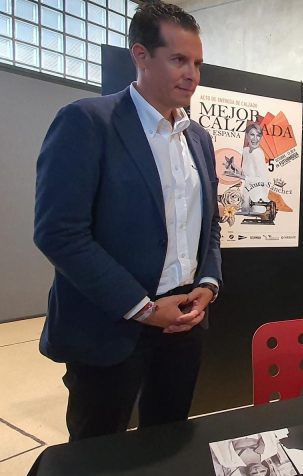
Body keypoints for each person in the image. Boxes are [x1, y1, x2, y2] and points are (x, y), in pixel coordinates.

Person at [33, 1, 222, 441]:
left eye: (197, 62)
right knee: (97, 450)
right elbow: (59, 234)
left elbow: (209, 224)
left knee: (168, 439)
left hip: (184, 322)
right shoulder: (86, 122)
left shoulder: (199, 138)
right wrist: (143, 308)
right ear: (140, 56)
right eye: (178, 60)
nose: (192, 73)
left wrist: (209, 283)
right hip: (108, 323)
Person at [240, 123, 270, 213]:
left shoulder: (258, 153)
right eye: (252, 135)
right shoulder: (245, 151)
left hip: (257, 197)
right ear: (246, 136)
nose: (255, 139)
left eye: (258, 135)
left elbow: (262, 180)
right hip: (245, 195)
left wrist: (245, 178)